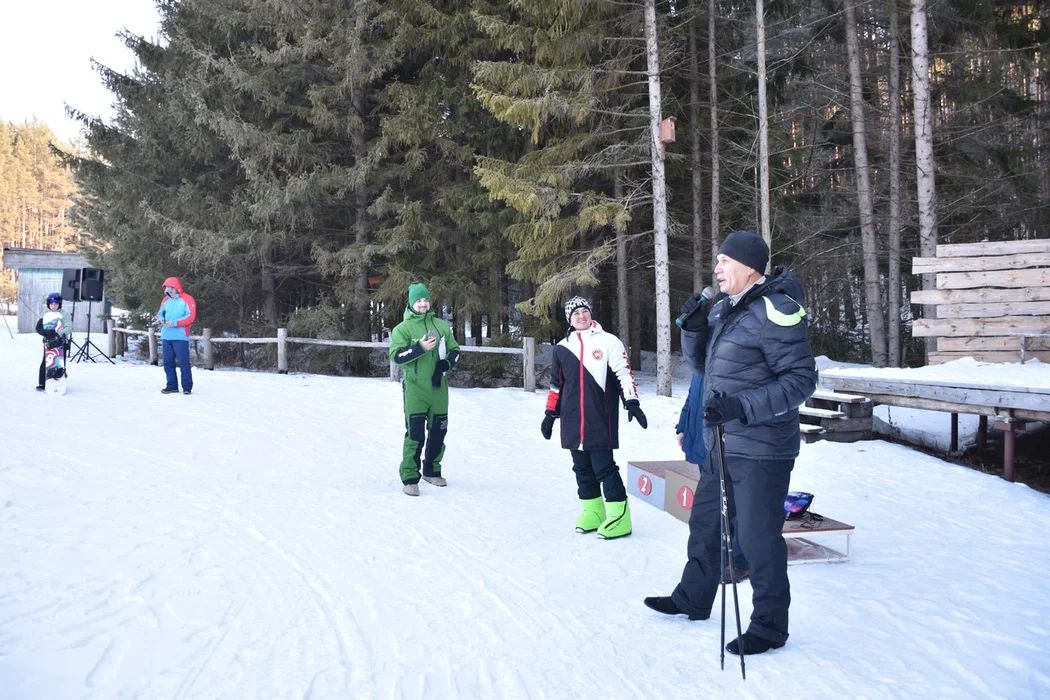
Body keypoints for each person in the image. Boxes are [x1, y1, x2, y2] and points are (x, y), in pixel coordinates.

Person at [645, 230, 817, 656]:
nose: (717, 269)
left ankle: (769, 626)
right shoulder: (727, 309)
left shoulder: (778, 311)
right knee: (705, 525)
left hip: (762, 448)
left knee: (758, 539)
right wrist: (693, 329)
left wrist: (741, 406)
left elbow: (801, 381)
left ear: (749, 267)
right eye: (717, 261)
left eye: (724, 261)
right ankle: (693, 598)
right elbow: (704, 366)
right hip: (723, 442)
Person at [541, 296, 647, 540]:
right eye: (576, 313)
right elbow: (556, 385)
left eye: (584, 311)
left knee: (604, 467)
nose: (581, 316)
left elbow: (624, 374)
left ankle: (620, 517)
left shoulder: (608, 341)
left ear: (590, 314)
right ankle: (593, 511)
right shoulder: (561, 348)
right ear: (570, 319)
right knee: (581, 468)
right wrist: (549, 414)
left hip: (599, 416)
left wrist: (631, 402)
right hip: (571, 419)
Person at [675, 293, 749, 584]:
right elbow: (694, 395)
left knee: (735, 503)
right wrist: (683, 425)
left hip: (727, 436)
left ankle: (740, 560)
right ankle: (720, 554)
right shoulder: (704, 354)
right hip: (700, 432)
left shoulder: (729, 357)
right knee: (715, 506)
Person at [389, 282, 460, 497]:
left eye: (425, 300)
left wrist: (447, 363)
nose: (422, 304)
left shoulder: (441, 325)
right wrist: (419, 348)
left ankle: (432, 470)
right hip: (415, 390)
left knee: (439, 432)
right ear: (411, 303)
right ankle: (410, 477)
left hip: (439, 390)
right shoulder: (402, 329)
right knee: (415, 434)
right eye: (418, 300)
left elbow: (455, 350)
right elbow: (396, 356)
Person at [157, 276, 197, 395]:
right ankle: (172, 385)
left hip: (180, 336)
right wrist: (161, 319)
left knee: (183, 362)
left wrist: (175, 323)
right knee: (168, 362)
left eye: (171, 288)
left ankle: (187, 387)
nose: (168, 290)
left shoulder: (187, 299)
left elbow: (191, 316)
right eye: (166, 288)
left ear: (177, 288)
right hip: (166, 336)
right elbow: (160, 313)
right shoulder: (165, 300)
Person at [34, 292, 72, 391]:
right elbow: (39, 327)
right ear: (48, 304)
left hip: (61, 343)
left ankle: (59, 380)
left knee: (59, 362)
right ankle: (42, 383)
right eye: (51, 304)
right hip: (49, 342)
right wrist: (46, 332)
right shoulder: (46, 313)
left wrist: (57, 334)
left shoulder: (64, 314)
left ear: (59, 304)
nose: (53, 306)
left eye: (56, 304)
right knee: (46, 361)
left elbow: (69, 328)